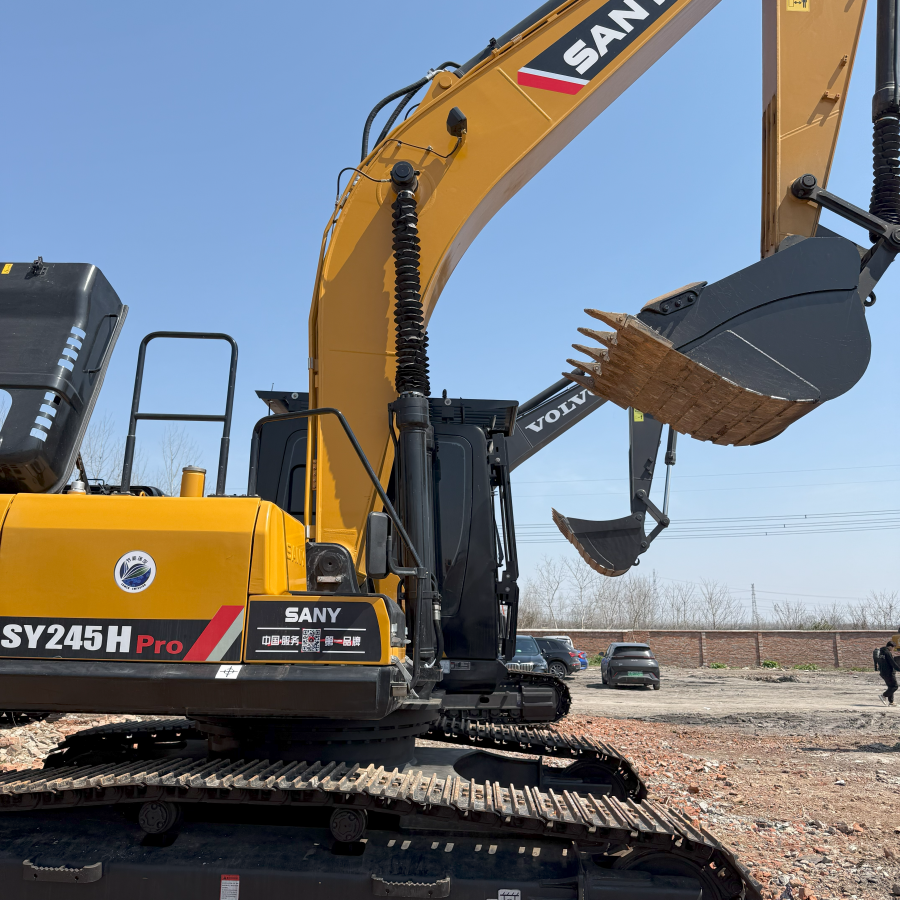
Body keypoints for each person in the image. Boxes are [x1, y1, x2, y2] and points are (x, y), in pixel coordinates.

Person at [876, 637, 900, 706]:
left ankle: (891, 702)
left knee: (890, 686)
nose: (893, 650)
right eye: (893, 648)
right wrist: (899, 669)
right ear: (890, 647)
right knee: (895, 686)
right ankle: (883, 695)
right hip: (889, 672)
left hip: (883, 672)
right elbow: (892, 663)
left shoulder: (880, 652)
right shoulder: (887, 653)